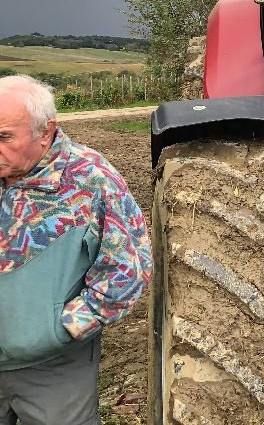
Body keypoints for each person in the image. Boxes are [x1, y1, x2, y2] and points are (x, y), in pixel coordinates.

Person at [0, 74, 152, 425]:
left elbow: (127, 269)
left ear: (45, 131)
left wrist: (62, 328)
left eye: (4, 136)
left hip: (51, 369)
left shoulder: (90, 180)